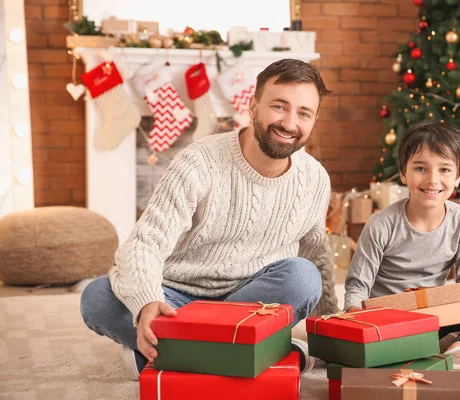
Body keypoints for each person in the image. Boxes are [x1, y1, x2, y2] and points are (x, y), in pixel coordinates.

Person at [80, 58, 339, 380]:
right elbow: (144, 243)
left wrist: (332, 338)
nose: (289, 122)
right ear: (253, 106)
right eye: (279, 106)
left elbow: (316, 253)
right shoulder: (197, 162)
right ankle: (260, 352)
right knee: (98, 297)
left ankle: (170, 354)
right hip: (176, 294)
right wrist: (148, 302)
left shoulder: (314, 178)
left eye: (304, 113)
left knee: (302, 275)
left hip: (250, 298)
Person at [344, 120, 460, 396]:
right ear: (403, 173)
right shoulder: (381, 223)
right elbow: (357, 286)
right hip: (389, 324)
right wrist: (356, 319)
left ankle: (459, 353)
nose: (432, 180)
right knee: (366, 341)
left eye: (444, 169)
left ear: (456, 178)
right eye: (420, 168)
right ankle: (443, 356)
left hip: (434, 319)